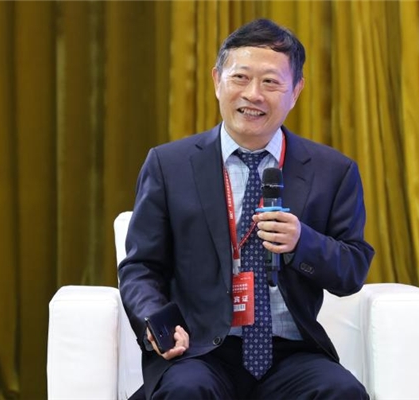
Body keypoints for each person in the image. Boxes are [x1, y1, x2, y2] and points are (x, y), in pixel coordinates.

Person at [119, 18, 375, 400]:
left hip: (290, 353)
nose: (253, 94)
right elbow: (141, 267)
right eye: (240, 78)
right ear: (217, 80)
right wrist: (157, 321)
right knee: (186, 391)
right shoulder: (168, 165)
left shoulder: (332, 172)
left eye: (270, 82)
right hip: (200, 351)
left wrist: (301, 242)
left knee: (343, 392)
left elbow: (352, 270)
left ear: (296, 91)